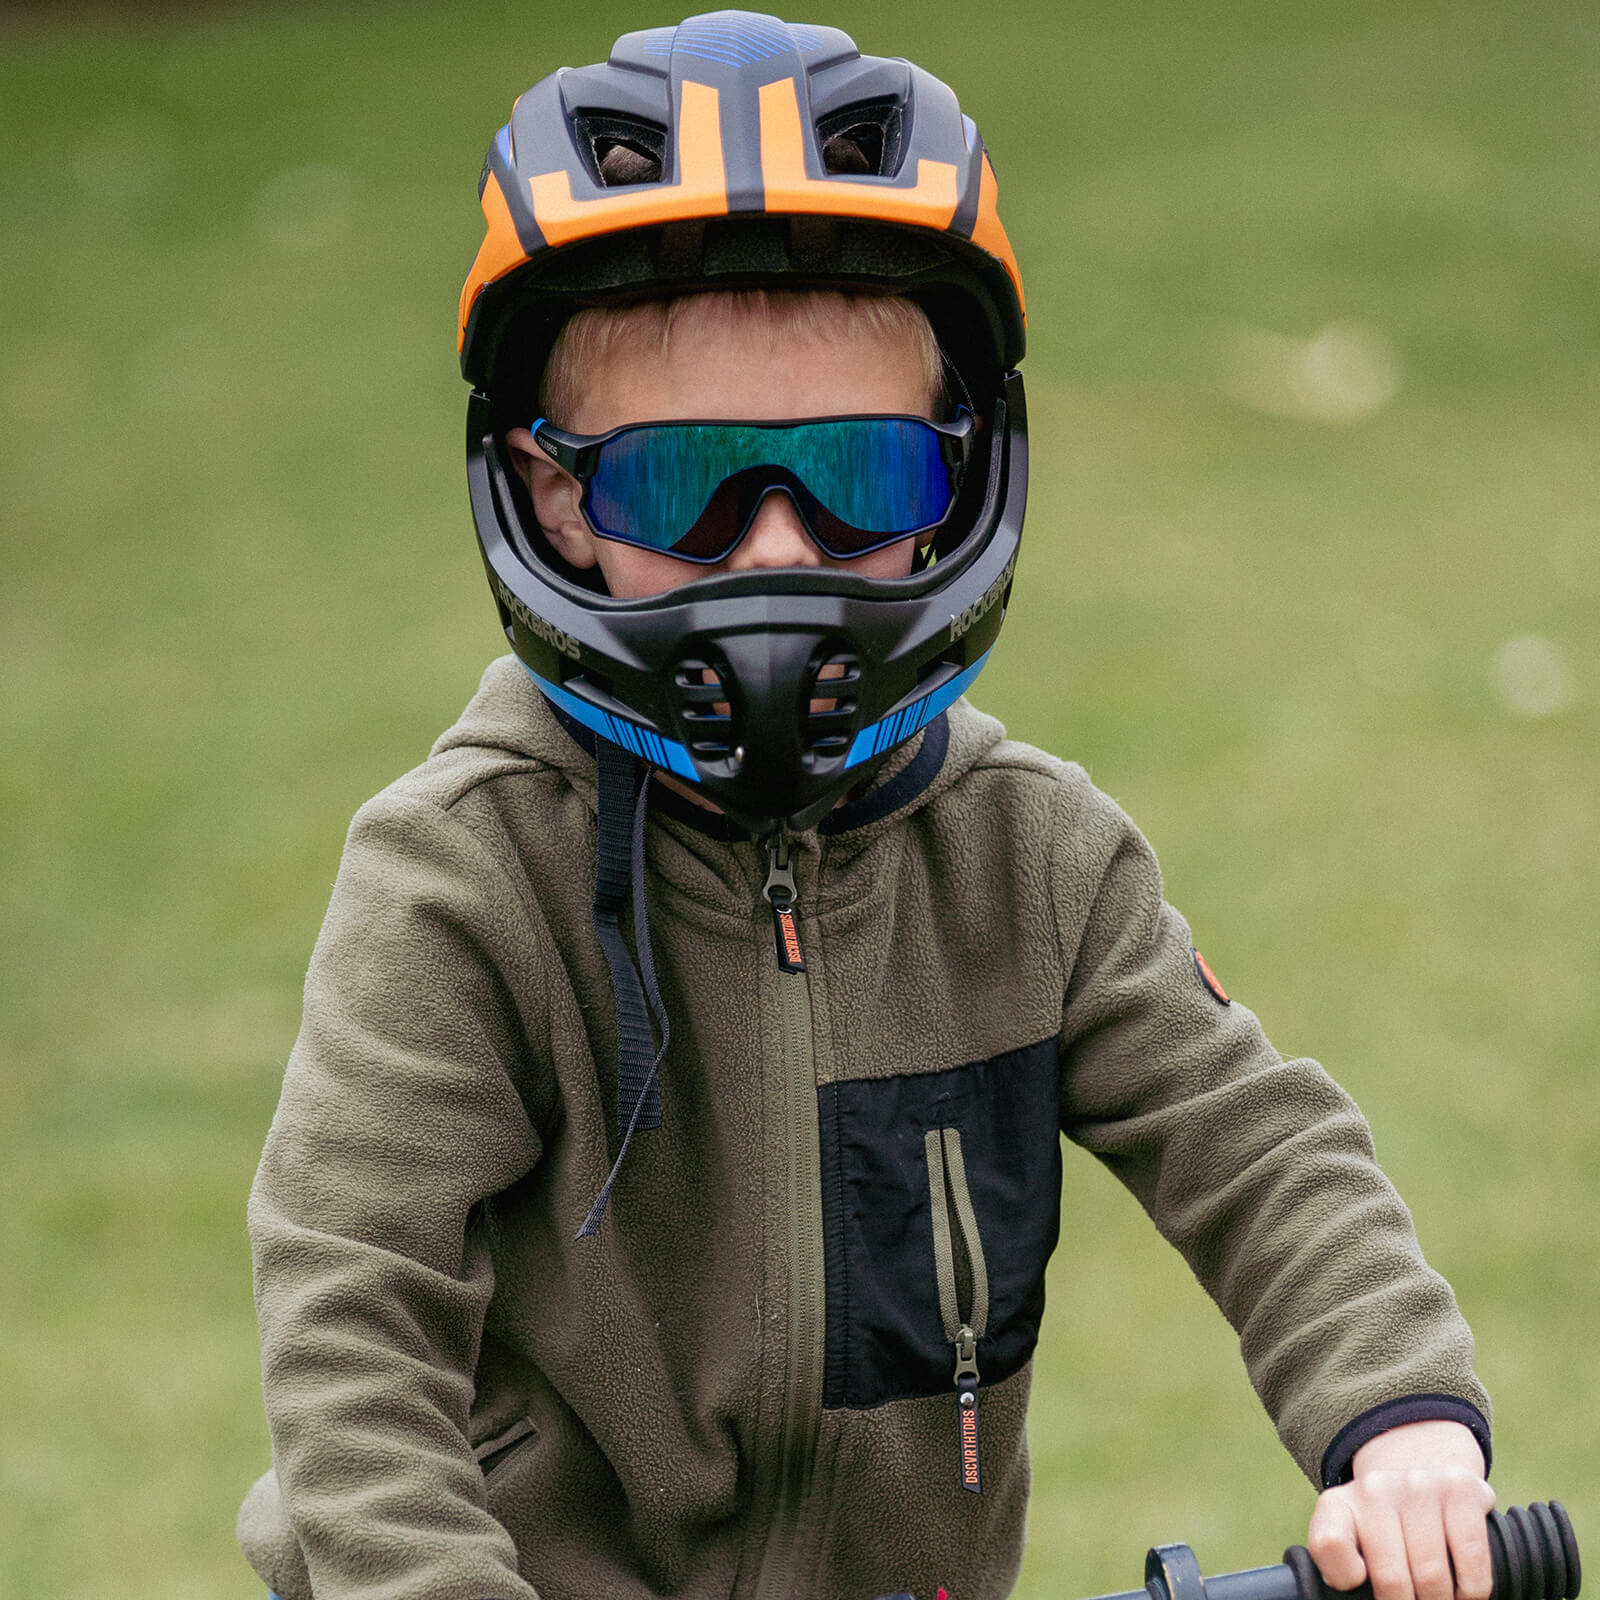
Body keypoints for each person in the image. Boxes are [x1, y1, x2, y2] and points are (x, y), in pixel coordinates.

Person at [238, 13, 1496, 1600]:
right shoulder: (462, 875)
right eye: (681, 483)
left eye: (860, 474)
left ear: (961, 478)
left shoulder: (1031, 859)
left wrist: (1403, 1425)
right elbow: (353, 1306)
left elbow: (1255, 1145)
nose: (777, 553)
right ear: (554, 495)